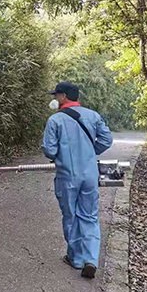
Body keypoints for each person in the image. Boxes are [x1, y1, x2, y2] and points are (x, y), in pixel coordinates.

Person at [42, 81, 113, 279]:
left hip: (67, 175)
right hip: (90, 174)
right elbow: (107, 139)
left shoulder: (55, 121)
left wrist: (59, 155)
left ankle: (76, 258)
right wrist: (91, 152)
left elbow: (49, 149)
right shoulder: (93, 115)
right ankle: (91, 258)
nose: (54, 98)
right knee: (89, 215)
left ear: (63, 96)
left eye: (56, 95)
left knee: (71, 216)